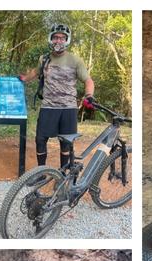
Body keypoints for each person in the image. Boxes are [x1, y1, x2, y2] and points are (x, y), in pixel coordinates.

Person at [18, 23, 95, 169]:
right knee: (40, 139)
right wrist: (23, 79)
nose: (58, 41)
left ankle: (63, 173)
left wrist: (89, 95)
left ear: (67, 40)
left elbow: (88, 80)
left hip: (68, 108)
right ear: (50, 39)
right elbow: (35, 72)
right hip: (48, 106)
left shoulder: (75, 60)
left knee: (65, 143)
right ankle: (41, 171)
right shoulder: (44, 59)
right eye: (55, 38)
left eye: (61, 38)